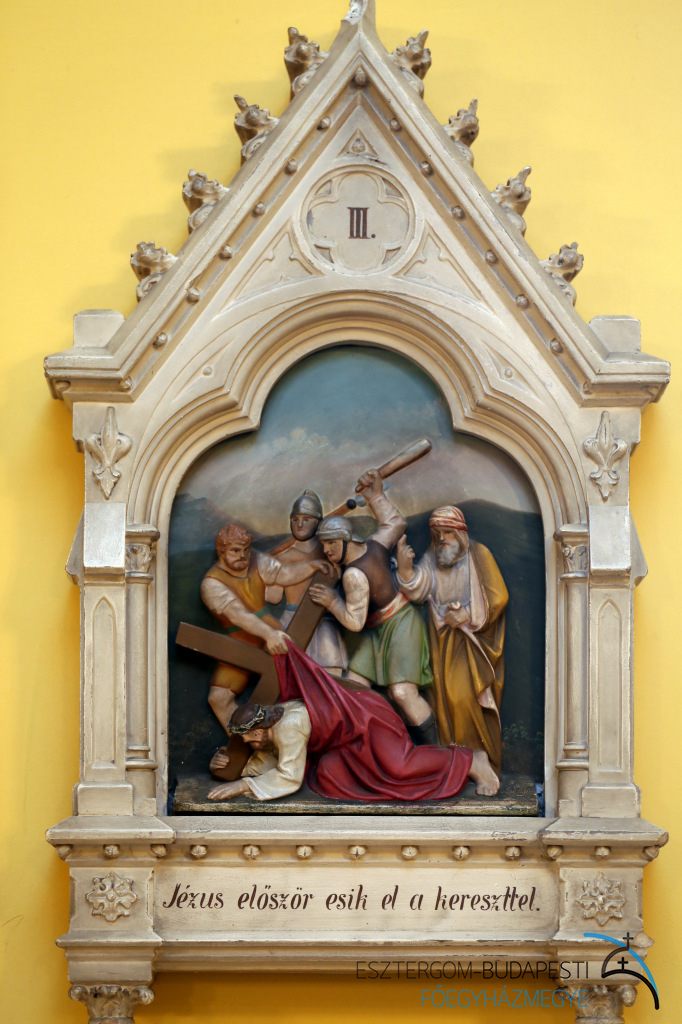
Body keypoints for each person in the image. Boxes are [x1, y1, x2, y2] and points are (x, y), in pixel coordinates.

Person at [206, 643, 500, 802]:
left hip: (368, 719)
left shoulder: (288, 727)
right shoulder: (274, 729)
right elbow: (276, 758)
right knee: (329, 774)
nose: (248, 744)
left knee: (400, 765)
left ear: (259, 731)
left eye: (248, 739)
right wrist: (234, 767)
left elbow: (290, 775)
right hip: (346, 737)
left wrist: (242, 785)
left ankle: (471, 761)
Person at [308, 469, 437, 744]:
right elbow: (395, 522)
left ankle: (434, 749)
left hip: (401, 623)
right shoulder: (375, 544)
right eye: (324, 545)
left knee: (402, 693)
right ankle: (376, 746)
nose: (327, 550)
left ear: (346, 540)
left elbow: (354, 622)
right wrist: (376, 496)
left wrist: (332, 601)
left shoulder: (354, 574)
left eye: (331, 543)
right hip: (377, 630)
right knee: (354, 688)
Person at [396, 505, 508, 774]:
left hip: (471, 645)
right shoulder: (432, 557)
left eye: (447, 532)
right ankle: (456, 766)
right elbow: (419, 589)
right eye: (437, 534)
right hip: (440, 644)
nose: (442, 539)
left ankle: (480, 760)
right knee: (441, 705)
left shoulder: (479, 554)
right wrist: (406, 570)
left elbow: (498, 596)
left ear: (460, 534)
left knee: (463, 700)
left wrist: (466, 614)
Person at [200, 522, 328, 733]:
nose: (243, 555)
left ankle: (295, 733)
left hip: (272, 635)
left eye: (246, 550)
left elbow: (285, 574)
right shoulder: (211, 584)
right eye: (235, 551)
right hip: (242, 643)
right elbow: (238, 615)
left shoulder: (257, 561)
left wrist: (311, 566)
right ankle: (250, 743)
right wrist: (269, 635)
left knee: (287, 691)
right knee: (219, 698)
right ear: (221, 552)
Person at [265, 489, 348, 674]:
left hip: (322, 620)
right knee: (290, 674)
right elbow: (273, 597)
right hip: (292, 622)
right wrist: (263, 574)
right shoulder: (282, 558)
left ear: (318, 522)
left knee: (331, 673)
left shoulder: (330, 553)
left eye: (307, 519)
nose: (300, 524)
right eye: (295, 519)